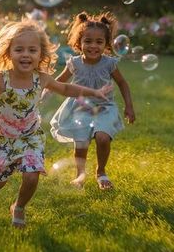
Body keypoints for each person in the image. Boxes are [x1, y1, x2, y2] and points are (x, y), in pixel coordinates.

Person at [0, 20, 112, 228]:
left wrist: (94, 92)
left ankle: (18, 206)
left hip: (30, 136)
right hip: (3, 137)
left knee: (31, 175)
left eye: (32, 50)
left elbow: (65, 89)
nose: (25, 54)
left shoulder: (42, 79)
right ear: (9, 53)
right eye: (19, 49)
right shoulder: (0, 78)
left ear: (40, 55)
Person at [49, 12, 135, 191]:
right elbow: (60, 82)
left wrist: (129, 106)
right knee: (81, 144)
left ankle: (101, 172)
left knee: (103, 138)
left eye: (99, 42)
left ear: (106, 44)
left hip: (104, 107)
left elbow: (122, 83)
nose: (93, 46)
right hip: (80, 107)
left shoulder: (109, 63)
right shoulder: (74, 63)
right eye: (88, 41)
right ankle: (80, 175)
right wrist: (45, 90)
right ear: (79, 42)